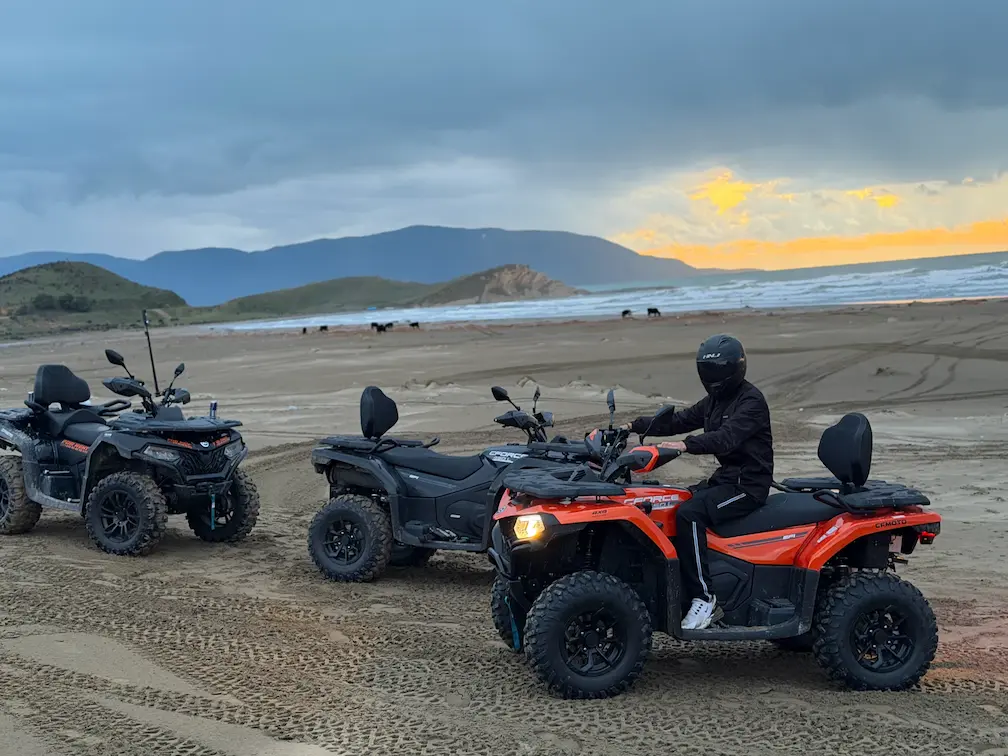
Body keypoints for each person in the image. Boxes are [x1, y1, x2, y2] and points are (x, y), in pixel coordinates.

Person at [622, 334, 773, 630]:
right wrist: (632, 426)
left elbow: (726, 437)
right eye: (707, 371)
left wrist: (683, 446)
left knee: (690, 515)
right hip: (726, 479)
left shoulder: (751, 401)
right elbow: (679, 420)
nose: (711, 378)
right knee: (674, 501)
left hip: (748, 486)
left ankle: (705, 598)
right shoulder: (715, 400)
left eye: (715, 371)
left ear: (733, 369)